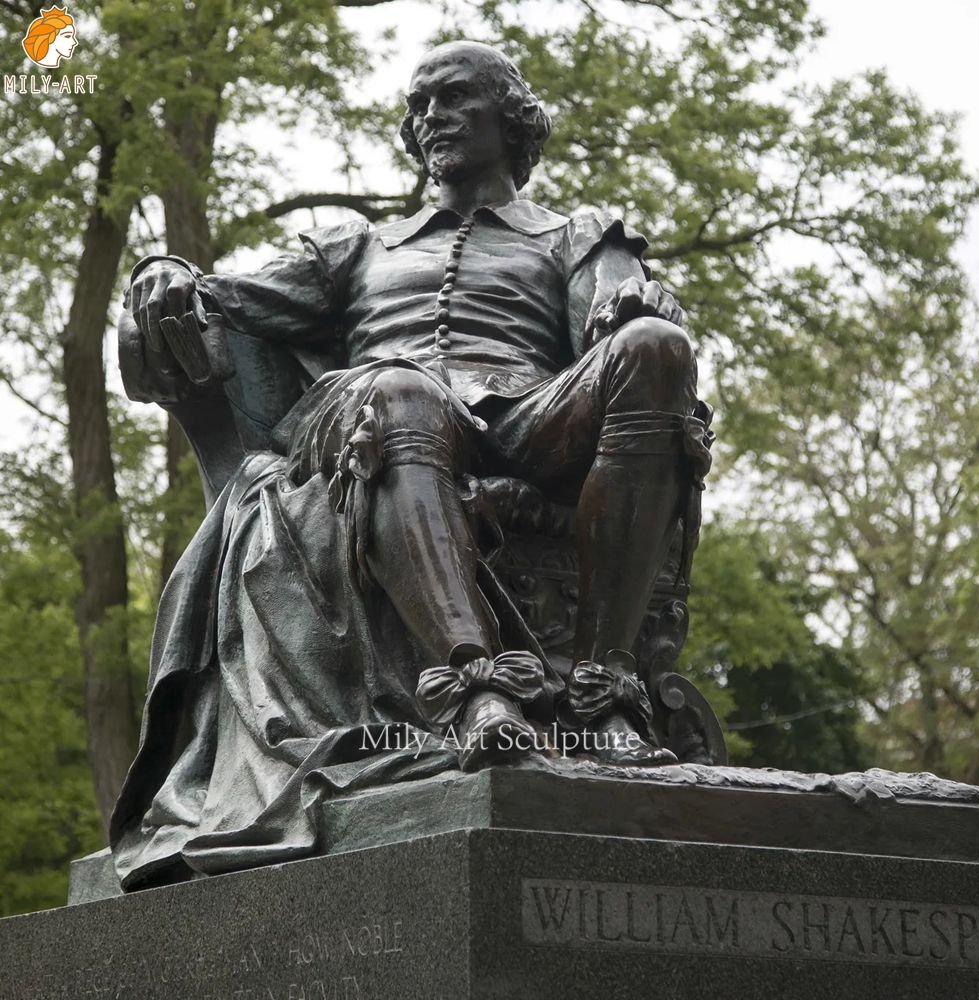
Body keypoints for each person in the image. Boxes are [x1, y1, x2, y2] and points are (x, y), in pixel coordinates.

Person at [111, 41, 713, 889]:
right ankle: (475, 689)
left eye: (454, 98)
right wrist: (163, 269)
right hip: (381, 413)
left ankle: (607, 691)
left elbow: (625, 310)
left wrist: (637, 305)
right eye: (420, 103)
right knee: (400, 390)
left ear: (511, 118)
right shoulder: (356, 249)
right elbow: (225, 296)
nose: (431, 116)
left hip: (524, 415)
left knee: (656, 349)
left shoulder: (574, 236)